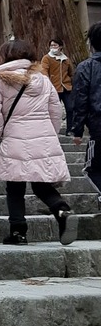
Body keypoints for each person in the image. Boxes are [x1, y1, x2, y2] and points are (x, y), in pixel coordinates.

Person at [0, 38, 75, 246]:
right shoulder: (43, 79)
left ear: (4, 56)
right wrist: (50, 132)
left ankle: (18, 232)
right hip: (43, 136)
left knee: (14, 185)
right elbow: (55, 109)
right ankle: (62, 210)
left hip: (14, 136)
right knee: (41, 183)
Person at [70, 21, 101, 197]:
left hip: (98, 126)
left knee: (92, 169)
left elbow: (81, 100)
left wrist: (78, 130)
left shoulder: (86, 67)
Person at [41, 37, 74, 133]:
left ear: (60, 47)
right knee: (53, 110)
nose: (53, 47)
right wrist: (48, 84)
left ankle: (70, 129)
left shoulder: (66, 59)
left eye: (55, 45)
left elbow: (71, 73)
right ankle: (51, 130)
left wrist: (71, 83)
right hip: (54, 88)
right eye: (51, 45)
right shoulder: (47, 58)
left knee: (70, 108)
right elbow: (44, 71)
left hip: (66, 87)